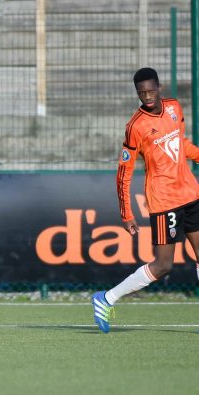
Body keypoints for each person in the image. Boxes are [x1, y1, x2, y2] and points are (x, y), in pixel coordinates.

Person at [92, 67, 199, 333]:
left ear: (159, 87)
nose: (147, 97)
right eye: (142, 93)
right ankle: (106, 298)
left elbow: (181, 143)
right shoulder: (135, 127)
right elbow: (123, 173)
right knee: (163, 265)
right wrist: (126, 213)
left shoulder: (174, 107)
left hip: (190, 193)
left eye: (151, 91)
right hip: (164, 200)